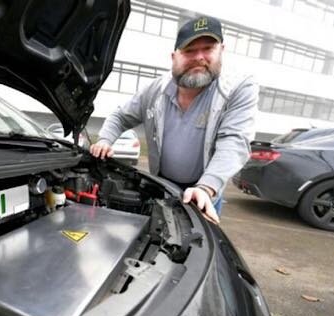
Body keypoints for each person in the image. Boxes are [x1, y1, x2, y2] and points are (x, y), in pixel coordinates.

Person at [90, 15, 258, 224]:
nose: (199, 57)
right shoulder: (154, 91)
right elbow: (120, 116)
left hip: (202, 195)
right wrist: (105, 140)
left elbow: (233, 142)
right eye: (189, 50)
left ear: (221, 51)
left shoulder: (238, 89)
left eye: (208, 48)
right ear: (174, 57)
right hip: (161, 188)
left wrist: (206, 187)